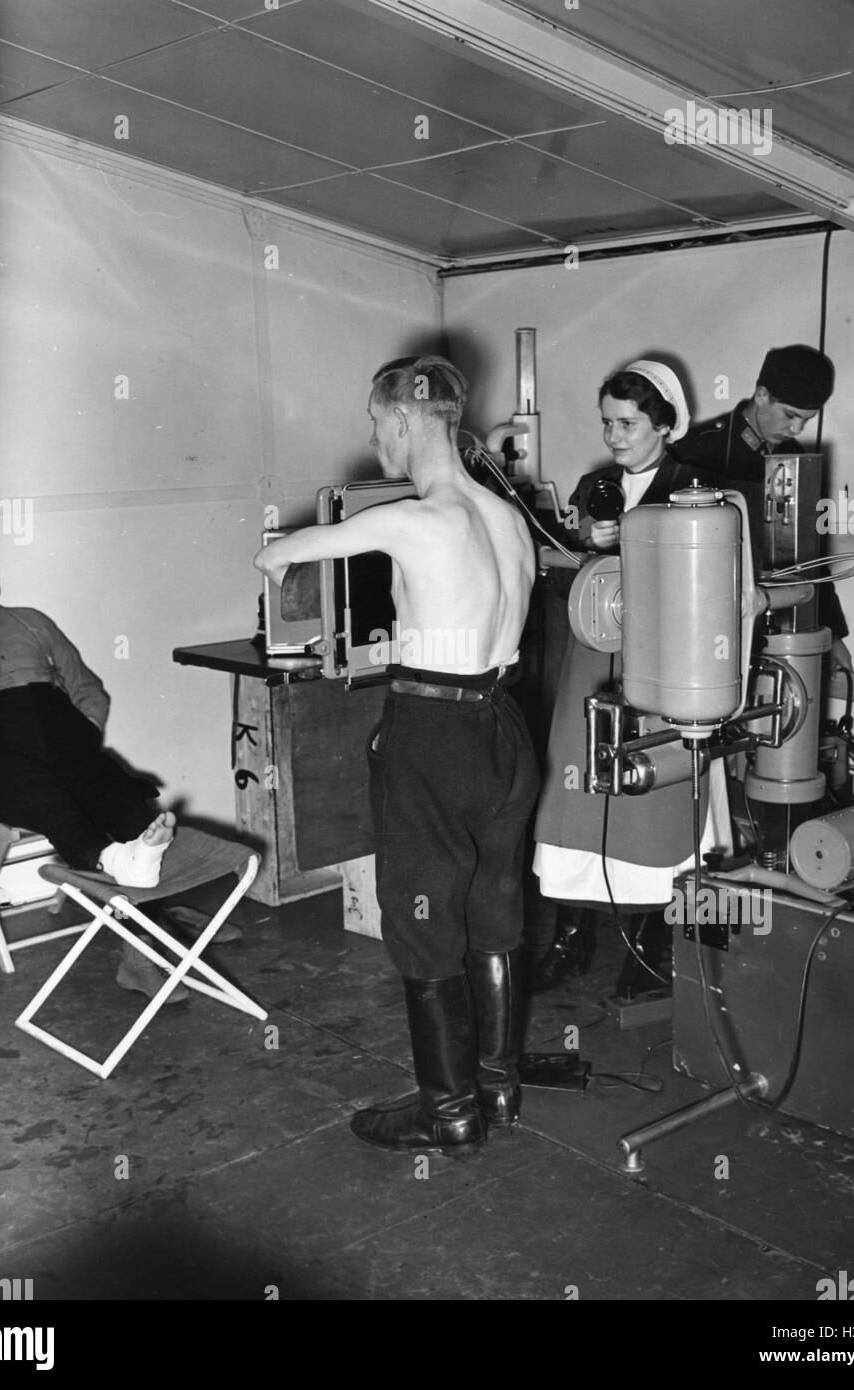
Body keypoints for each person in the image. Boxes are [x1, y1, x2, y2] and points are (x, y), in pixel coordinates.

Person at [254, 355, 540, 1157]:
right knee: (493, 910)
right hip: (501, 725)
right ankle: (497, 1090)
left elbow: (277, 558)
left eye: (377, 421)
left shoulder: (412, 519)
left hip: (431, 733)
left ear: (407, 419)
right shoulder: (504, 516)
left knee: (420, 914)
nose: (375, 435)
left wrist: (286, 552)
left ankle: (446, 1113)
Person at [0, 528, 187, 999]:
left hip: (62, 743)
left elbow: (86, 688)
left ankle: (142, 952)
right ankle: (130, 879)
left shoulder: (31, 621)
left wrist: (82, 735)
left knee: (129, 801)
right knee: (50, 798)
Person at [532, 360, 732, 997]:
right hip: (593, 660)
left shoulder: (698, 487)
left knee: (655, 795)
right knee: (576, 787)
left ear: (665, 425)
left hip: (667, 668)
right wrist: (584, 546)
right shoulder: (597, 486)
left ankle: (651, 944)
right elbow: (565, 584)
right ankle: (570, 935)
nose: (614, 436)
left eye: (628, 423)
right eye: (607, 423)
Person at [673, 344, 851, 669]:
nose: (796, 429)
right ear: (762, 395)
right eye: (791, 415)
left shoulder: (796, 461)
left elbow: (810, 558)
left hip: (772, 629)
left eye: (807, 420)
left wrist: (834, 635)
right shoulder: (698, 450)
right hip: (707, 627)